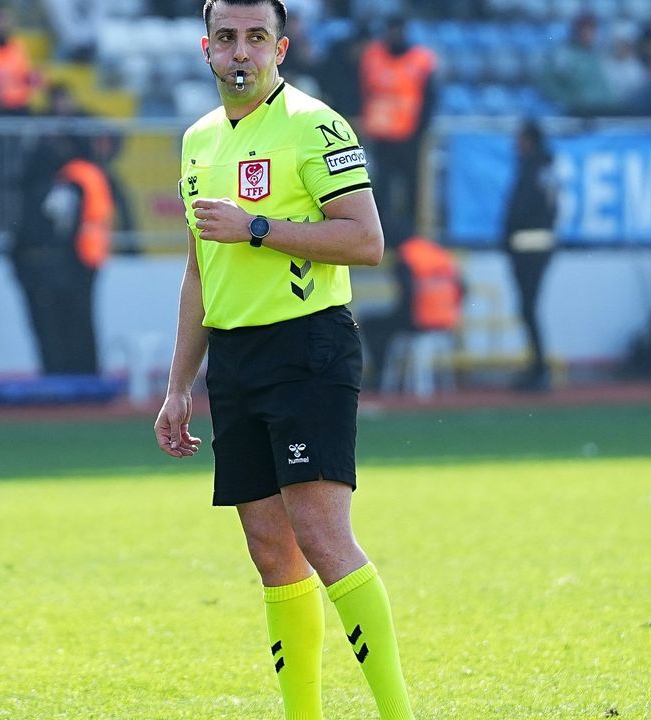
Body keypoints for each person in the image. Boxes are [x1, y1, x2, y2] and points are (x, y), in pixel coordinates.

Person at [153, 2, 414, 718]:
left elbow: (365, 241)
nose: (241, 51)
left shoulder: (316, 125)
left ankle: (398, 713)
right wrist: (178, 386)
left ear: (281, 47)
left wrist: (258, 227)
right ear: (207, 49)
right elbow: (199, 272)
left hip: (306, 346)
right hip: (235, 359)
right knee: (271, 551)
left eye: (256, 37)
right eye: (227, 38)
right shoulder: (198, 140)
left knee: (323, 538)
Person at [11, 121, 113, 376]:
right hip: (85, 259)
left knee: (61, 326)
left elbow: (53, 222)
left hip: (70, 262)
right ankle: (83, 376)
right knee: (78, 324)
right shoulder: (86, 174)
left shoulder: (68, 179)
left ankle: (68, 378)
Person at [359, 222, 462, 390]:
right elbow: (463, 288)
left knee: (370, 324)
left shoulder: (405, 257)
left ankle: (381, 375)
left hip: (420, 320)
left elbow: (408, 298)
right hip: (446, 321)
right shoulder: (436, 252)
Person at [359, 15, 435, 225]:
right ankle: (380, 232)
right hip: (379, 135)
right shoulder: (372, 56)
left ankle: (409, 234)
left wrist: (421, 130)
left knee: (410, 188)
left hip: (408, 135)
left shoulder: (421, 59)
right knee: (379, 188)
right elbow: (362, 91)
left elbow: (430, 97)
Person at [502, 120, 558, 391]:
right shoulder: (546, 170)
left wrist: (507, 239)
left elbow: (520, 210)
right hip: (539, 248)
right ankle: (537, 367)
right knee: (529, 309)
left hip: (526, 251)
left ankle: (539, 369)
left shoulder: (531, 169)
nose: (516, 144)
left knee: (528, 309)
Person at [542, 12, 613, 116]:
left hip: (606, 109)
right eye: (586, 30)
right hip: (583, 112)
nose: (590, 34)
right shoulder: (566, 54)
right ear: (576, 32)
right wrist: (568, 100)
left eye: (593, 30)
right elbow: (544, 78)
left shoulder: (595, 55)